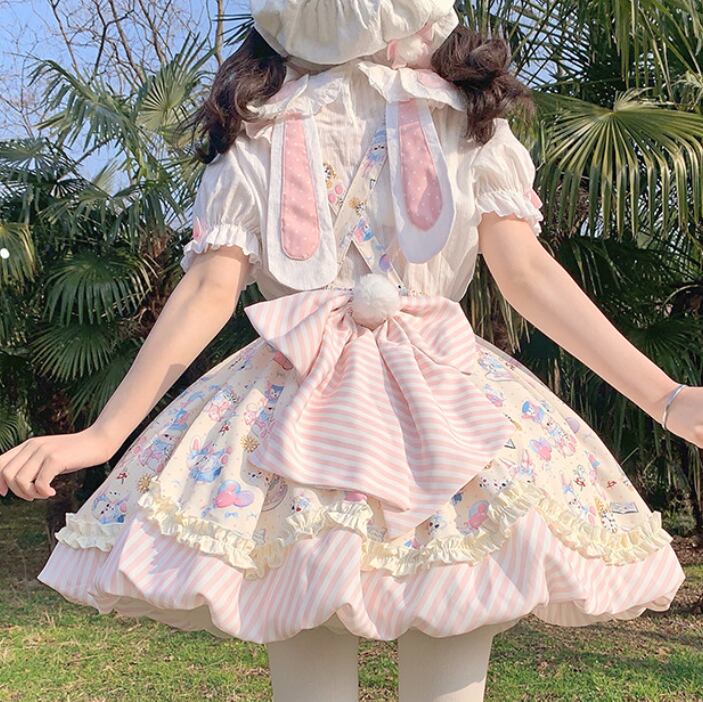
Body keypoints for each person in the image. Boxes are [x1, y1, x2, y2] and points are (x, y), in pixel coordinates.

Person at [0, 1, 698, 700]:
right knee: (308, 626)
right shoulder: (259, 125)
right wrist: (101, 435)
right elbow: (210, 288)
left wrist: (666, 399)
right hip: (297, 420)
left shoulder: (463, 118)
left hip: (434, 408)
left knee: (450, 621)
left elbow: (527, 273)